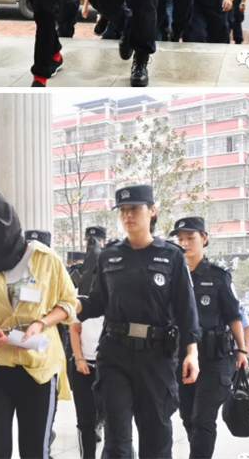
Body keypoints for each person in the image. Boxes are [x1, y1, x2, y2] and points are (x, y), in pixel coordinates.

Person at [76, 185, 201, 459]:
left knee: (156, 439)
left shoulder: (171, 256)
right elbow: (97, 301)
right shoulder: (109, 255)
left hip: (156, 357)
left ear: (152, 210)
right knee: (116, 440)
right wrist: (71, 305)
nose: (127, 215)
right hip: (115, 355)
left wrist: (191, 353)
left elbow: (186, 309)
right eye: (122, 210)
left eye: (134, 209)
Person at [0, 184, 77, 459]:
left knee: (35, 451)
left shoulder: (46, 260)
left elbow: (68, 303)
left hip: (37, 369)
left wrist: (41, 323)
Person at [171, 216, 249, 459]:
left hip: (214, 357)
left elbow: (233, 316)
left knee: (202, 418)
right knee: (187, 416)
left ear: (203, 238)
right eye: (180, 239)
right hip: (181, 356)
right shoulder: (172, 275)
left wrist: (242, 351)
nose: (184, 243)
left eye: (190, 238)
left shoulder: (218, 275)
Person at [69, 225, 108, 459]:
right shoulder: (80, 296)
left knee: (115, 421)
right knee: (85, 422)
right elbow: (74, 329)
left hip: (110, 366)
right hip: (84, 365)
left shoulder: (116, 294)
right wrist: (79, 359)